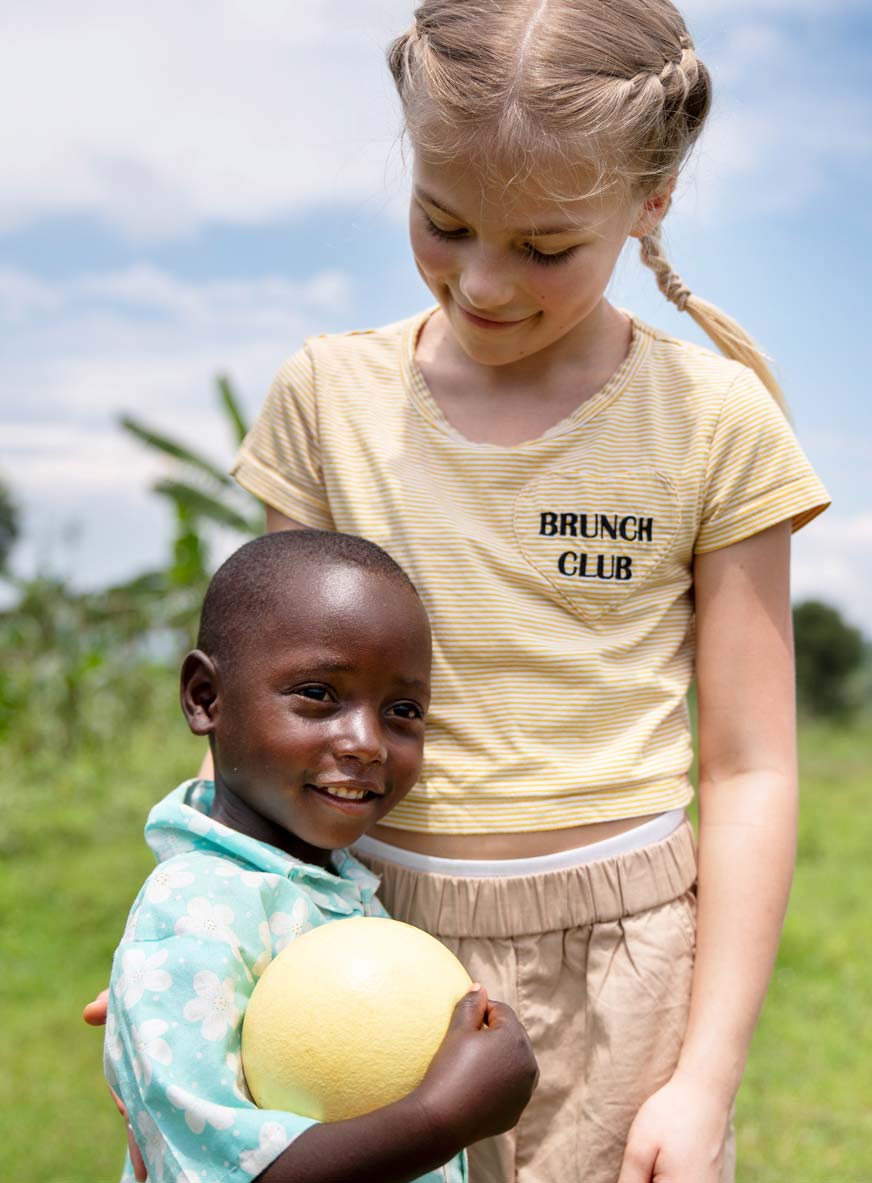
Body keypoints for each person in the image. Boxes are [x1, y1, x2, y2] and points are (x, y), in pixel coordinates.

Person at [88, 2, 831, 1181]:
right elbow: (276, 701)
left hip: (619, 967)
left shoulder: (713, 422)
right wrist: (194, 932)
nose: (484, 283)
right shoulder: (328, 396)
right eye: (443, 224)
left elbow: (751, 765)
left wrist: (704, 1076)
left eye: (545, 248)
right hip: (348, 941)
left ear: (653, 202)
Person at [100, 529, 538, 1183]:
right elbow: (221, 1168)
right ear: (204, 697)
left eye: (402, 709)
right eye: (319, 693)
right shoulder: (196, 905)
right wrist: (444, 1117)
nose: (366, 741)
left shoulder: (330, 883)